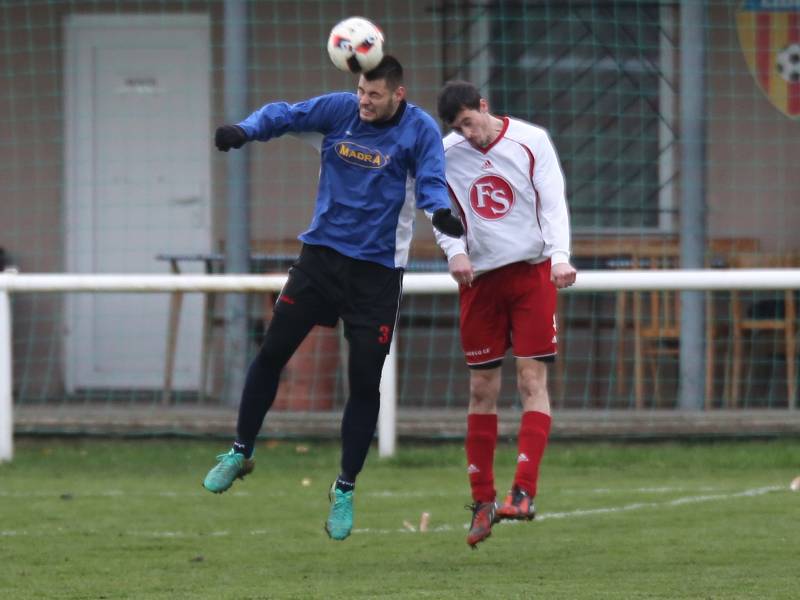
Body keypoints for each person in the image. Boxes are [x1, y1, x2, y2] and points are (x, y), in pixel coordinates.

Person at [202, 56, 464, 542]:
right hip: (320, 260)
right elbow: (284, 114)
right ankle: (240, 451)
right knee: (272, 351)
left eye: (375, 95)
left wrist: (441, 214)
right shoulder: (339, 110)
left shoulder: (420, 130)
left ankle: (344, 488)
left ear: (398, 95)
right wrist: (244, 130)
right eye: (362, 92)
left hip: (377, 275)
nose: (365, 101)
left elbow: (430, 180)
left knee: (364, 382)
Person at [433, 81, 577, 547]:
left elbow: (552, 201)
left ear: (484, 107)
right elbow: (438, 209)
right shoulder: (446, 153)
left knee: (531, 381)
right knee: (481, 387)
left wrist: (559, 256)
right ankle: (482, 502)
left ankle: (524, 491)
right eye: (459, 128)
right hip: (480, 282)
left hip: (533, 275)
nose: (468, 134)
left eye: (470, 122)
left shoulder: (530, 141)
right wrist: (454, 250)